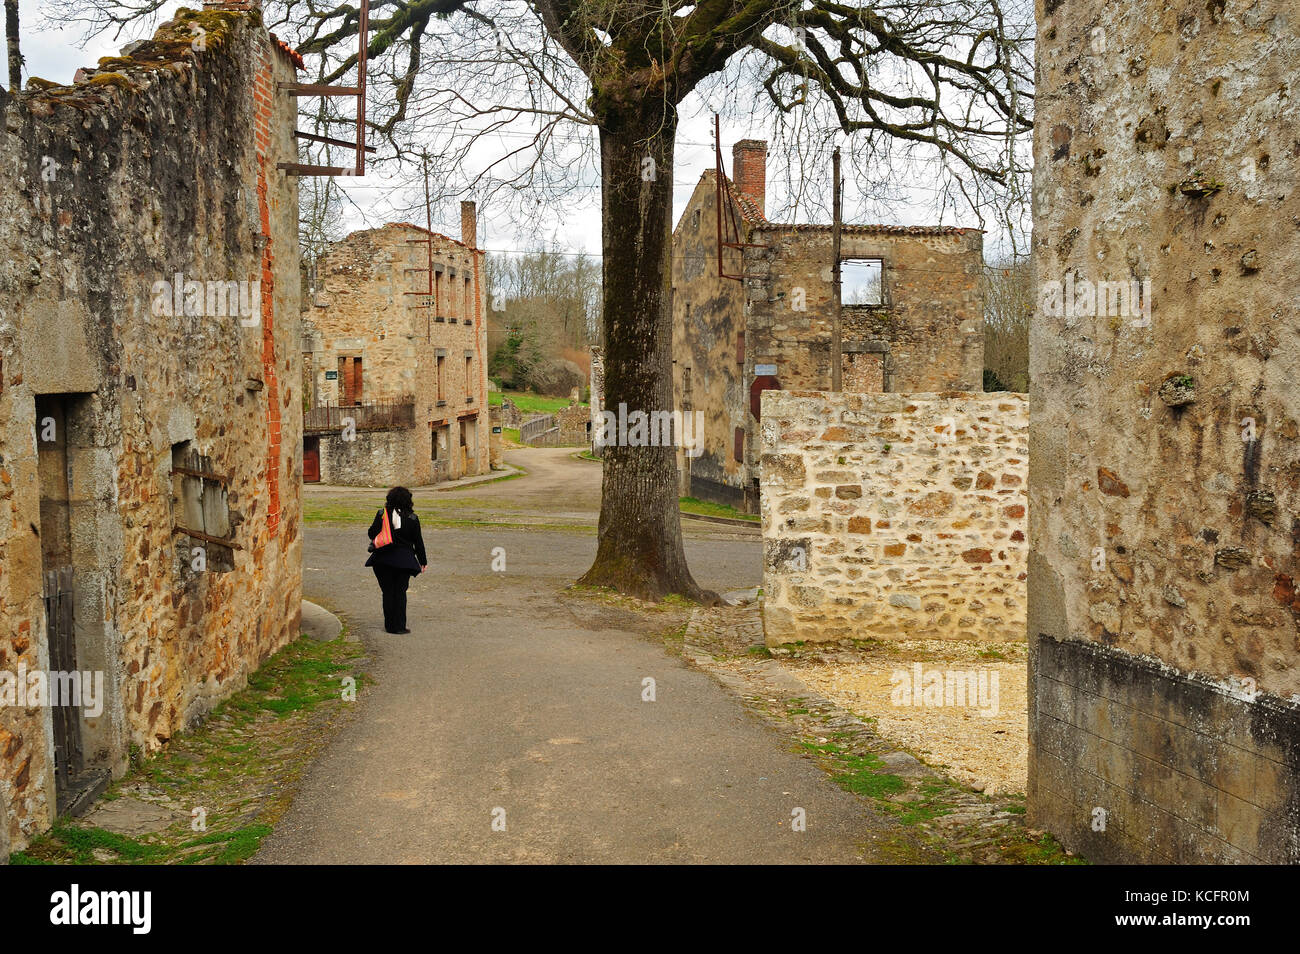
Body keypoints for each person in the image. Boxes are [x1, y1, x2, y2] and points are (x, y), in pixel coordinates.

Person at [365, 486, 427, 634]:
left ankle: (389, 625)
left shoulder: (382, 514)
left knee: (387, 592)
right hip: (404, 561)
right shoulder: (412, 518)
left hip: (382, 560)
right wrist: (423, 561)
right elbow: (418, 542)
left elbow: (371, 533)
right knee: (400, 592)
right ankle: (399, 626)